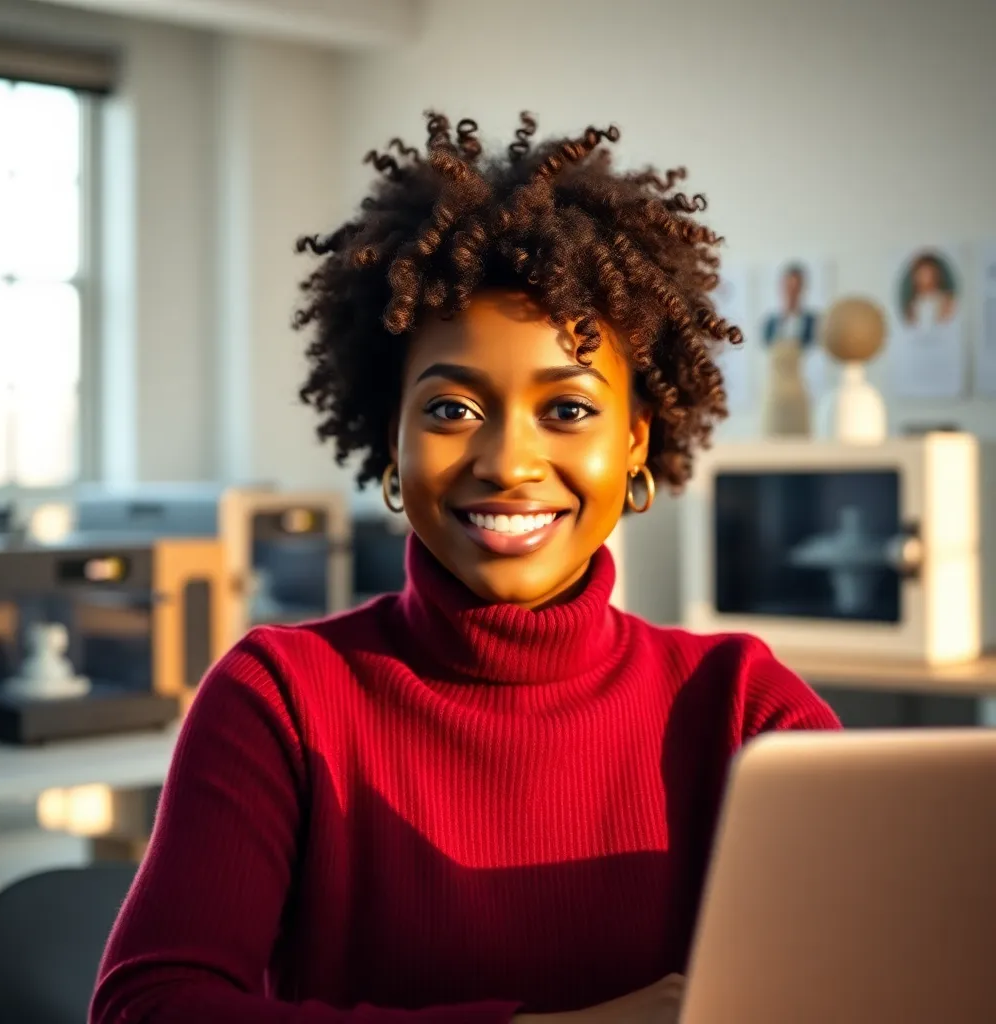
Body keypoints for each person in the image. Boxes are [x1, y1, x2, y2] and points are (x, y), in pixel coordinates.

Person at [90, 113, 840, 1024]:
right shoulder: (280, 700)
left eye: (568, 410)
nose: (508, 463)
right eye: (451, 409)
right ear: (392, 439)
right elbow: (150, 1008)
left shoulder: (744, 710)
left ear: (636, 442)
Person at [762, 263, 817, 348]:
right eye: (789, 287)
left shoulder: (812, 323)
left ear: (802, 289)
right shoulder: (770, 323)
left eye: (796, 288)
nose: (792, 293)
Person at [901, 252, 957, 328]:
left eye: (927, 273)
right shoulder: (911, 306)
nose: (924, 278)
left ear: (935, 275)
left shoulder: (946, 300)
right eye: (920, 274)